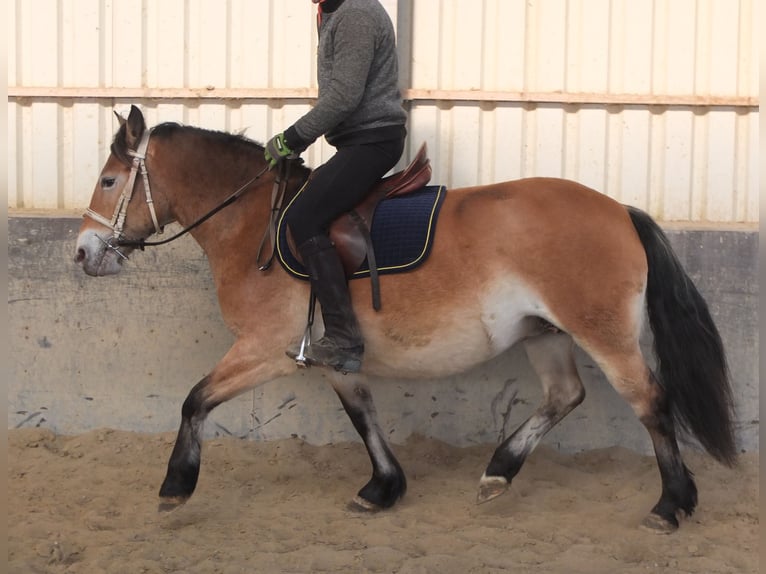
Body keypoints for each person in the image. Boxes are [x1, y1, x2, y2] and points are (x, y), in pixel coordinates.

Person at [264, 0, 407, 373]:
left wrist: (292, 138)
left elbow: (344, 95)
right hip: (357, 140)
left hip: (372, 141)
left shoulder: (356, 14)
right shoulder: (332, 12)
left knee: (304, 216)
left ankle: (344, 338)